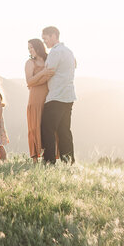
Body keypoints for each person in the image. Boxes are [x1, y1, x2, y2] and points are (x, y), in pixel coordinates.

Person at [33, 26, 76, 164]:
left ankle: (49, 160)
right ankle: (68, 160)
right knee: (64, 130)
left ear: (53, 36)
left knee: (47, 128)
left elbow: (48, 72)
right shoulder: (69, 52)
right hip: (68, 96)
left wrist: (33, 83)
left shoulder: (55, 52)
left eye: (45, 38)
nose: (44, 42)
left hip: (56, 96)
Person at [25, 39, 50, 162]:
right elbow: (29, 82)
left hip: (48, 97)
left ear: (38, 47)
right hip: (35, 98)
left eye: (31, 47)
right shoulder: (30, 62)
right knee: (34, 127)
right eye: (28, 48)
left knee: (47, 127)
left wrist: (39, 80)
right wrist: (43, 74)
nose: (30, 50)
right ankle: (35, 159)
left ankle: (48, 157)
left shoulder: (48, 59)